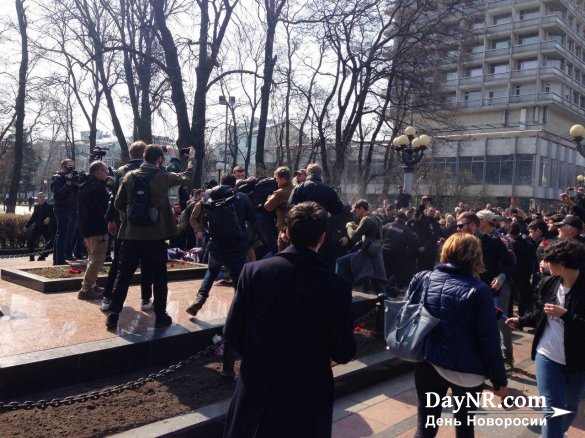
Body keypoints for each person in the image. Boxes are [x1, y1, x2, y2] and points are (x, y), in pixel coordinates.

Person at [223, 201, 356, 438]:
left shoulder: (254, 272)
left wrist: (258, 357)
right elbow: (343, 352)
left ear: (286, 233)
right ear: (322, 238)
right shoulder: (336, 287)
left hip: (257, 387)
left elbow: (233, 331)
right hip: (308, 395)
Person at [412, 232, 508, 438]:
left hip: (429, 362)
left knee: (425, 426)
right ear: (475, 256)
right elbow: (489, 341)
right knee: (465, 427)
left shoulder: (424, 278)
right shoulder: (479, 290)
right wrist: (499, 380)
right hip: (467, 371)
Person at [105, 145, 196, 330]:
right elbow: (187, 176)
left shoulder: (129, 177)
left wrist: (131, 218)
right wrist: (191, 158)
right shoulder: (163, 177)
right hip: (156, 236)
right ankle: (161, 316)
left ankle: (113, 315)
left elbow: (118, 203)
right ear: (160, 159)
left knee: (123, 276)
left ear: (144, 157)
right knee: (159, 276)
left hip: (131, 236)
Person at [506, 239, 585, 438]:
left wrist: (565, 315)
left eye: (548, 260)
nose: (544, 263)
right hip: (547, 355)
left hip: (578, 361)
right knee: (552, 409)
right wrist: (521, 320)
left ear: (562, 263)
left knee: (570, 406)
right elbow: (542, 312)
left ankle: (558, 431)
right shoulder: (549, 283)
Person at [185, 173, 255, 318]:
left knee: (210, 273)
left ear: (220, 183)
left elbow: (201, 219)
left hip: (216, 246)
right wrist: (247, 241)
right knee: (238, 281)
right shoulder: (241, 198)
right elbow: (252, 220)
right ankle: (239, 313)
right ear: (234, 184)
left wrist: (206, 232)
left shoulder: (210, 199)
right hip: (236, 247)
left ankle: (200, 298)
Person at [458, 210, 516, 370]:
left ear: (473, 226)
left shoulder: (494, 241)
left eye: (460, 225)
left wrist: (502, 277)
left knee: (501, 323)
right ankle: (483, 359)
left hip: (496, 289)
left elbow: (512, 264)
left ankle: (507, 357)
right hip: (474, 290)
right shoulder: (461, 243)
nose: (458, 229)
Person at [335, 199, 386, 294]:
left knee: (340, 262)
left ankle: (340, 291)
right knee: (378, 285)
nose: (355, 213)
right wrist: (357, 227)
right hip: (375, 254)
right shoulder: (376, 218)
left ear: (361, 208)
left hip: (366, 253)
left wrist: (349, 226)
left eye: (356, 210)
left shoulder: (365, 219)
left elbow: (354, 237)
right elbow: (371, 231)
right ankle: (386, 305)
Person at [77, 161, 110, 300]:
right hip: (97, 228)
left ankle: (92, 285)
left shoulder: (84, 185)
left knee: (92, 257)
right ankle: (86, 288)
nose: (107, 174)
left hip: (86, 228)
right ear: (98, 171)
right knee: (97, 259)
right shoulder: (97, 188)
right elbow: (102, 210)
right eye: (105, 171)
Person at [50, 158, 79, 265]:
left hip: (71, 208)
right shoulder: (57, 178)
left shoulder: (71, 178)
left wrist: (76, 183)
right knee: (61, 234)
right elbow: (58, 194)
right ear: (63, 166)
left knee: (68, 233)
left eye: (73, 166)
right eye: (69, 166)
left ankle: (63, 256)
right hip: (61, 208)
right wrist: (68, 183)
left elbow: (76, 193)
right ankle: (59, 259)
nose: (72, 169)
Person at [24, 192, 53, 261]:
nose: (42, 198)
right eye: (40, 197)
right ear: (37, 199)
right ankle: (31, 258)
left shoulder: (50, 206)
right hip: (37, 227)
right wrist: (26, 226)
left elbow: (54, 215)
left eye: (43, 197)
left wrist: (49, 217)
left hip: (47, 228)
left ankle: (42, 256)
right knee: (30, 241)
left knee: (50, 243)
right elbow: (33, 217)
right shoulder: (36, 206)